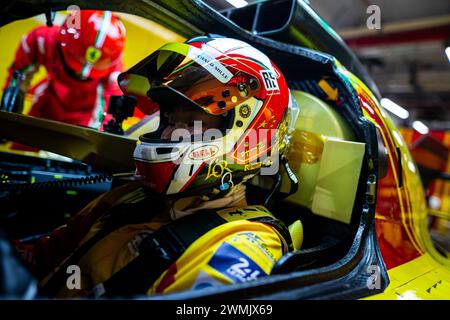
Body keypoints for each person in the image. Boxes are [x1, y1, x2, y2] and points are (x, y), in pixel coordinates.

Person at [13, 36, 302, 298]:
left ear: (245, 134)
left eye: (190, 123)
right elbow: (44, 255)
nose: (166, 135)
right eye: (169, 120)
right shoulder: (131, 196)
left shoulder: (245, 243)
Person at [1, 10, 126, 129]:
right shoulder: (41, 40)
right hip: (47, 104)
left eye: (89, 75)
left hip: (86, 118)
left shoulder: (115, 75)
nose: (79, 73)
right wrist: (10, 107)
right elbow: (18, 74)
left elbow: (111, 115)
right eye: (73, 66)